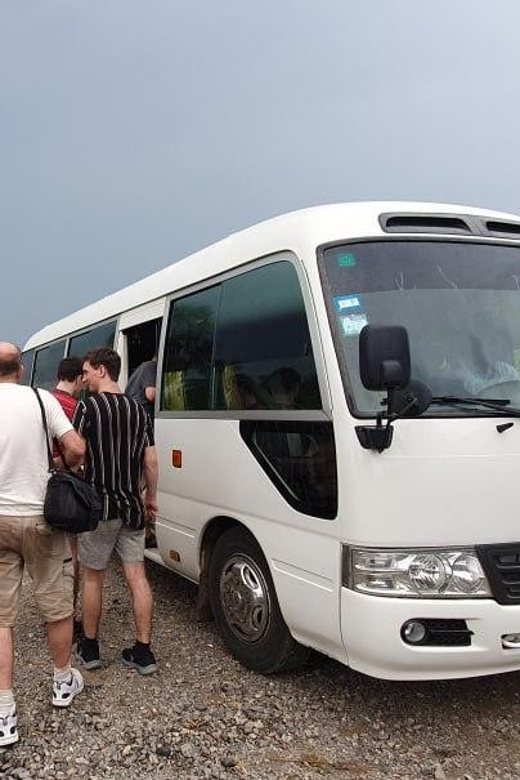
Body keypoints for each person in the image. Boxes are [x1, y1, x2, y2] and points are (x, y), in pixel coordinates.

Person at [0, 343, 85, 746]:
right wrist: (65, 464)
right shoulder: (41, 399)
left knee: (1, 618)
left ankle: (5, 714)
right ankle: (62, 683)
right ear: (21, 367)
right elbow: (77, 448)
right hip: (39, 517)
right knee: (56, 604)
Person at [73, 348, 159, 675]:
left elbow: (75, 450)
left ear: (102, 370)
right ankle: (143, 651)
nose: (85, 378)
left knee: (93, 577)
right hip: (132, 507)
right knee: (137, 576)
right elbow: (150, 461)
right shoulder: (140, 410)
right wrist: (151, 498)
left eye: (88, 371)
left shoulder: (88, 407)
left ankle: (91, 647)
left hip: (99, 507)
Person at [51, 356, 84, 640]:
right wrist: (66, 465)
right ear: (78, 379)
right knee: (71, 554)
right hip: (66, 488)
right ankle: (67, 615)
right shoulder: (75, 408)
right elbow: (78, 449)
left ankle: (49, 611)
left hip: (39, 486)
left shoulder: (42, 401)